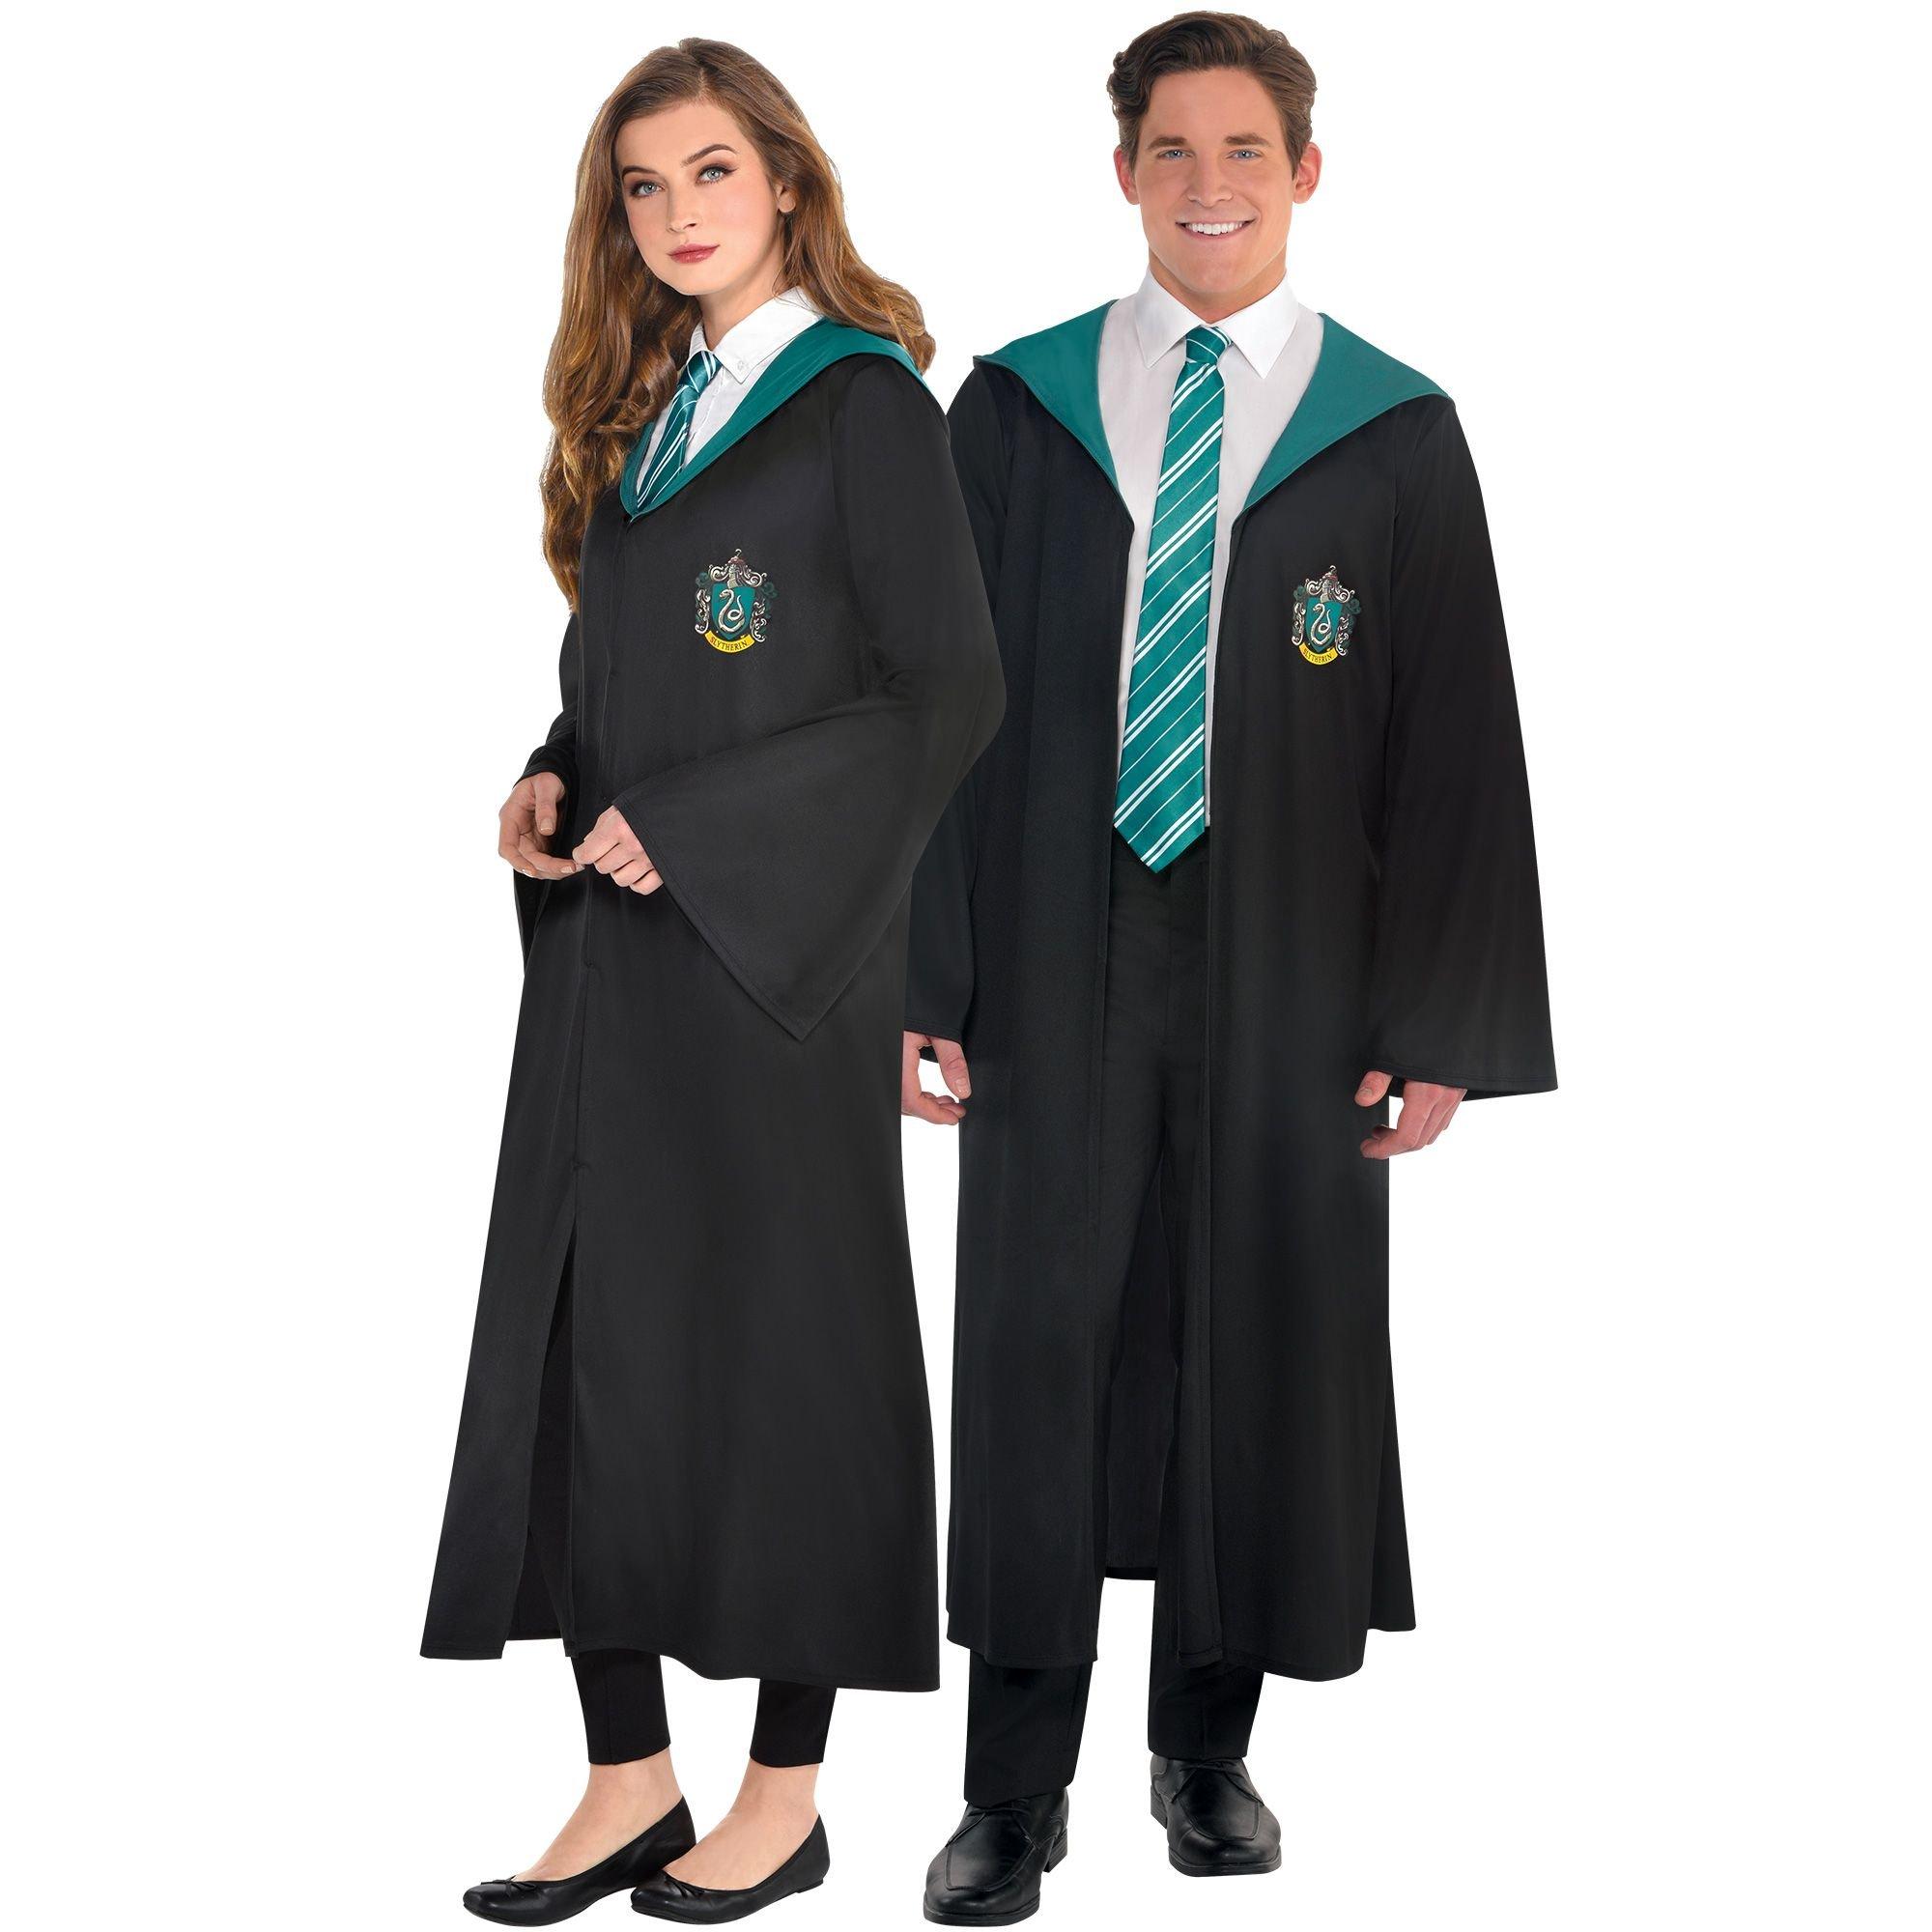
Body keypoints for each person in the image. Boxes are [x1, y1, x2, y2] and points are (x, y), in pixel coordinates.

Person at [904, 13, 1555, 1920]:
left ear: (1307, 171)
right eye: (1171, 148)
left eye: (1245, 148)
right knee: (1038, 1347)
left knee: (1252, 1338)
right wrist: (921, 971)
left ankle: (1205, 1752)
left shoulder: (1395, 431)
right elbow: (927, 705)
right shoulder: (1014, 408)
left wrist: (1437, 1023)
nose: (1209, 183)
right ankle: (1010, 1791)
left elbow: (1453, 742)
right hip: (1052, 934)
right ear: (1121, 172)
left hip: (1300, 963)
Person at [419, 38, 1004, 1926]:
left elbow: (942, 692)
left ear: (788, 184)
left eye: (712, 174)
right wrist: (553, 776)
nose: (677, 214)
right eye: (644, 187)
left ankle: (784, 1793)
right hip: (617, 967)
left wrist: (702, 830)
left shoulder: (863, 406)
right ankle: (625, 1779)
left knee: (779, 1358)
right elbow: (637, 688)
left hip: (777, 972)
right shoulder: (652, 413)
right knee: (592, 1341)